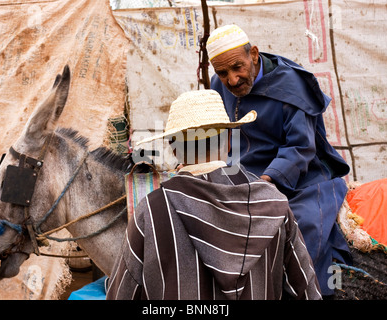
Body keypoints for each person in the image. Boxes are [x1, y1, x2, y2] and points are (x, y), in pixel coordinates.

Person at [106, 89, 321, 300]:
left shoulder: (151, 211)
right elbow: (307, 291)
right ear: (229, 140)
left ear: (173, 148)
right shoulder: (274, 205)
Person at [206, 24, 352, 295]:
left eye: (238, 67)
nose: (233, 79)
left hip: (300, 174)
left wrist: (267, 181)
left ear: (254, 54)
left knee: (300, 228)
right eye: (223, 72)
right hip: (243, 174)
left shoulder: (292, 85)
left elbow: (300, 146)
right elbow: (224, 136)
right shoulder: (218, 85)